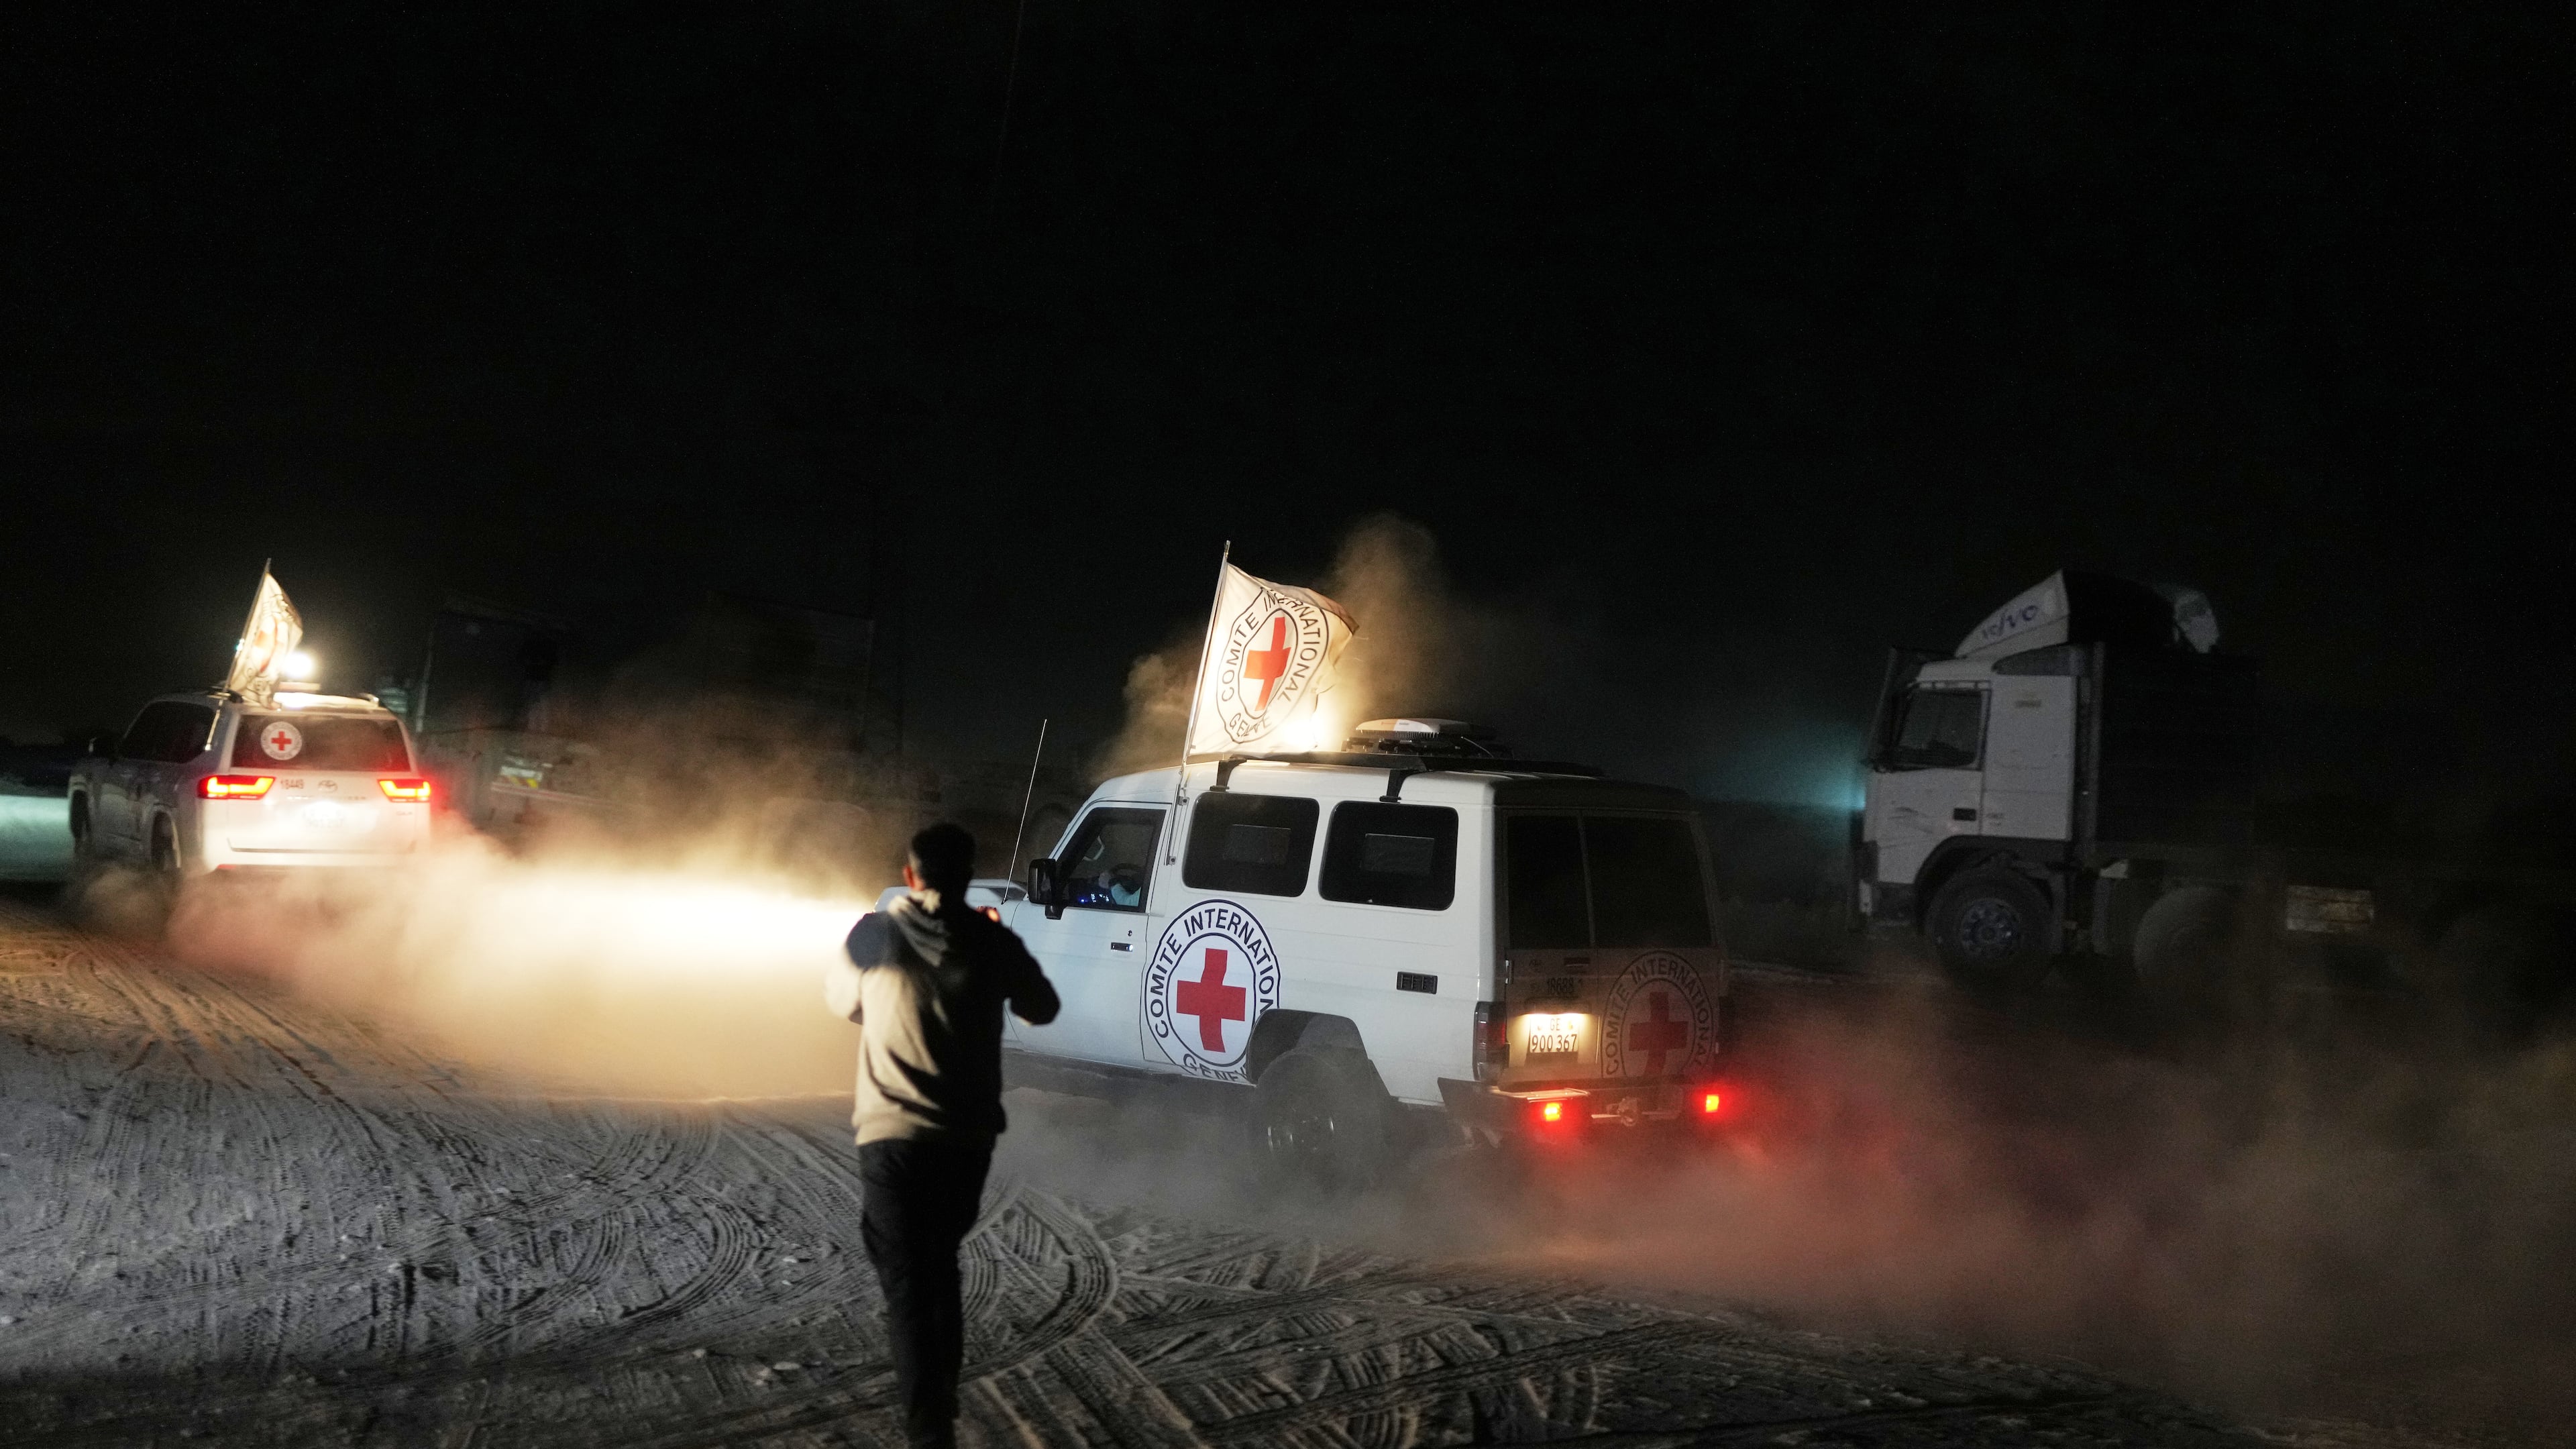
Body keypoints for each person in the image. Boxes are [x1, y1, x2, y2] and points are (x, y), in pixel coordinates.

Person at [826, 822, 1060, 1449]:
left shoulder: (875, 935)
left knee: (909, 1283)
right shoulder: (992, 939)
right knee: (939, 1268)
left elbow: (841, 1003)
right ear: (967, 875)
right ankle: (939, 1407)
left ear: (910, 876)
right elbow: (1043, 1007)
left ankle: (929, 1431)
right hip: (965, 1141)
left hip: (890, 1138)